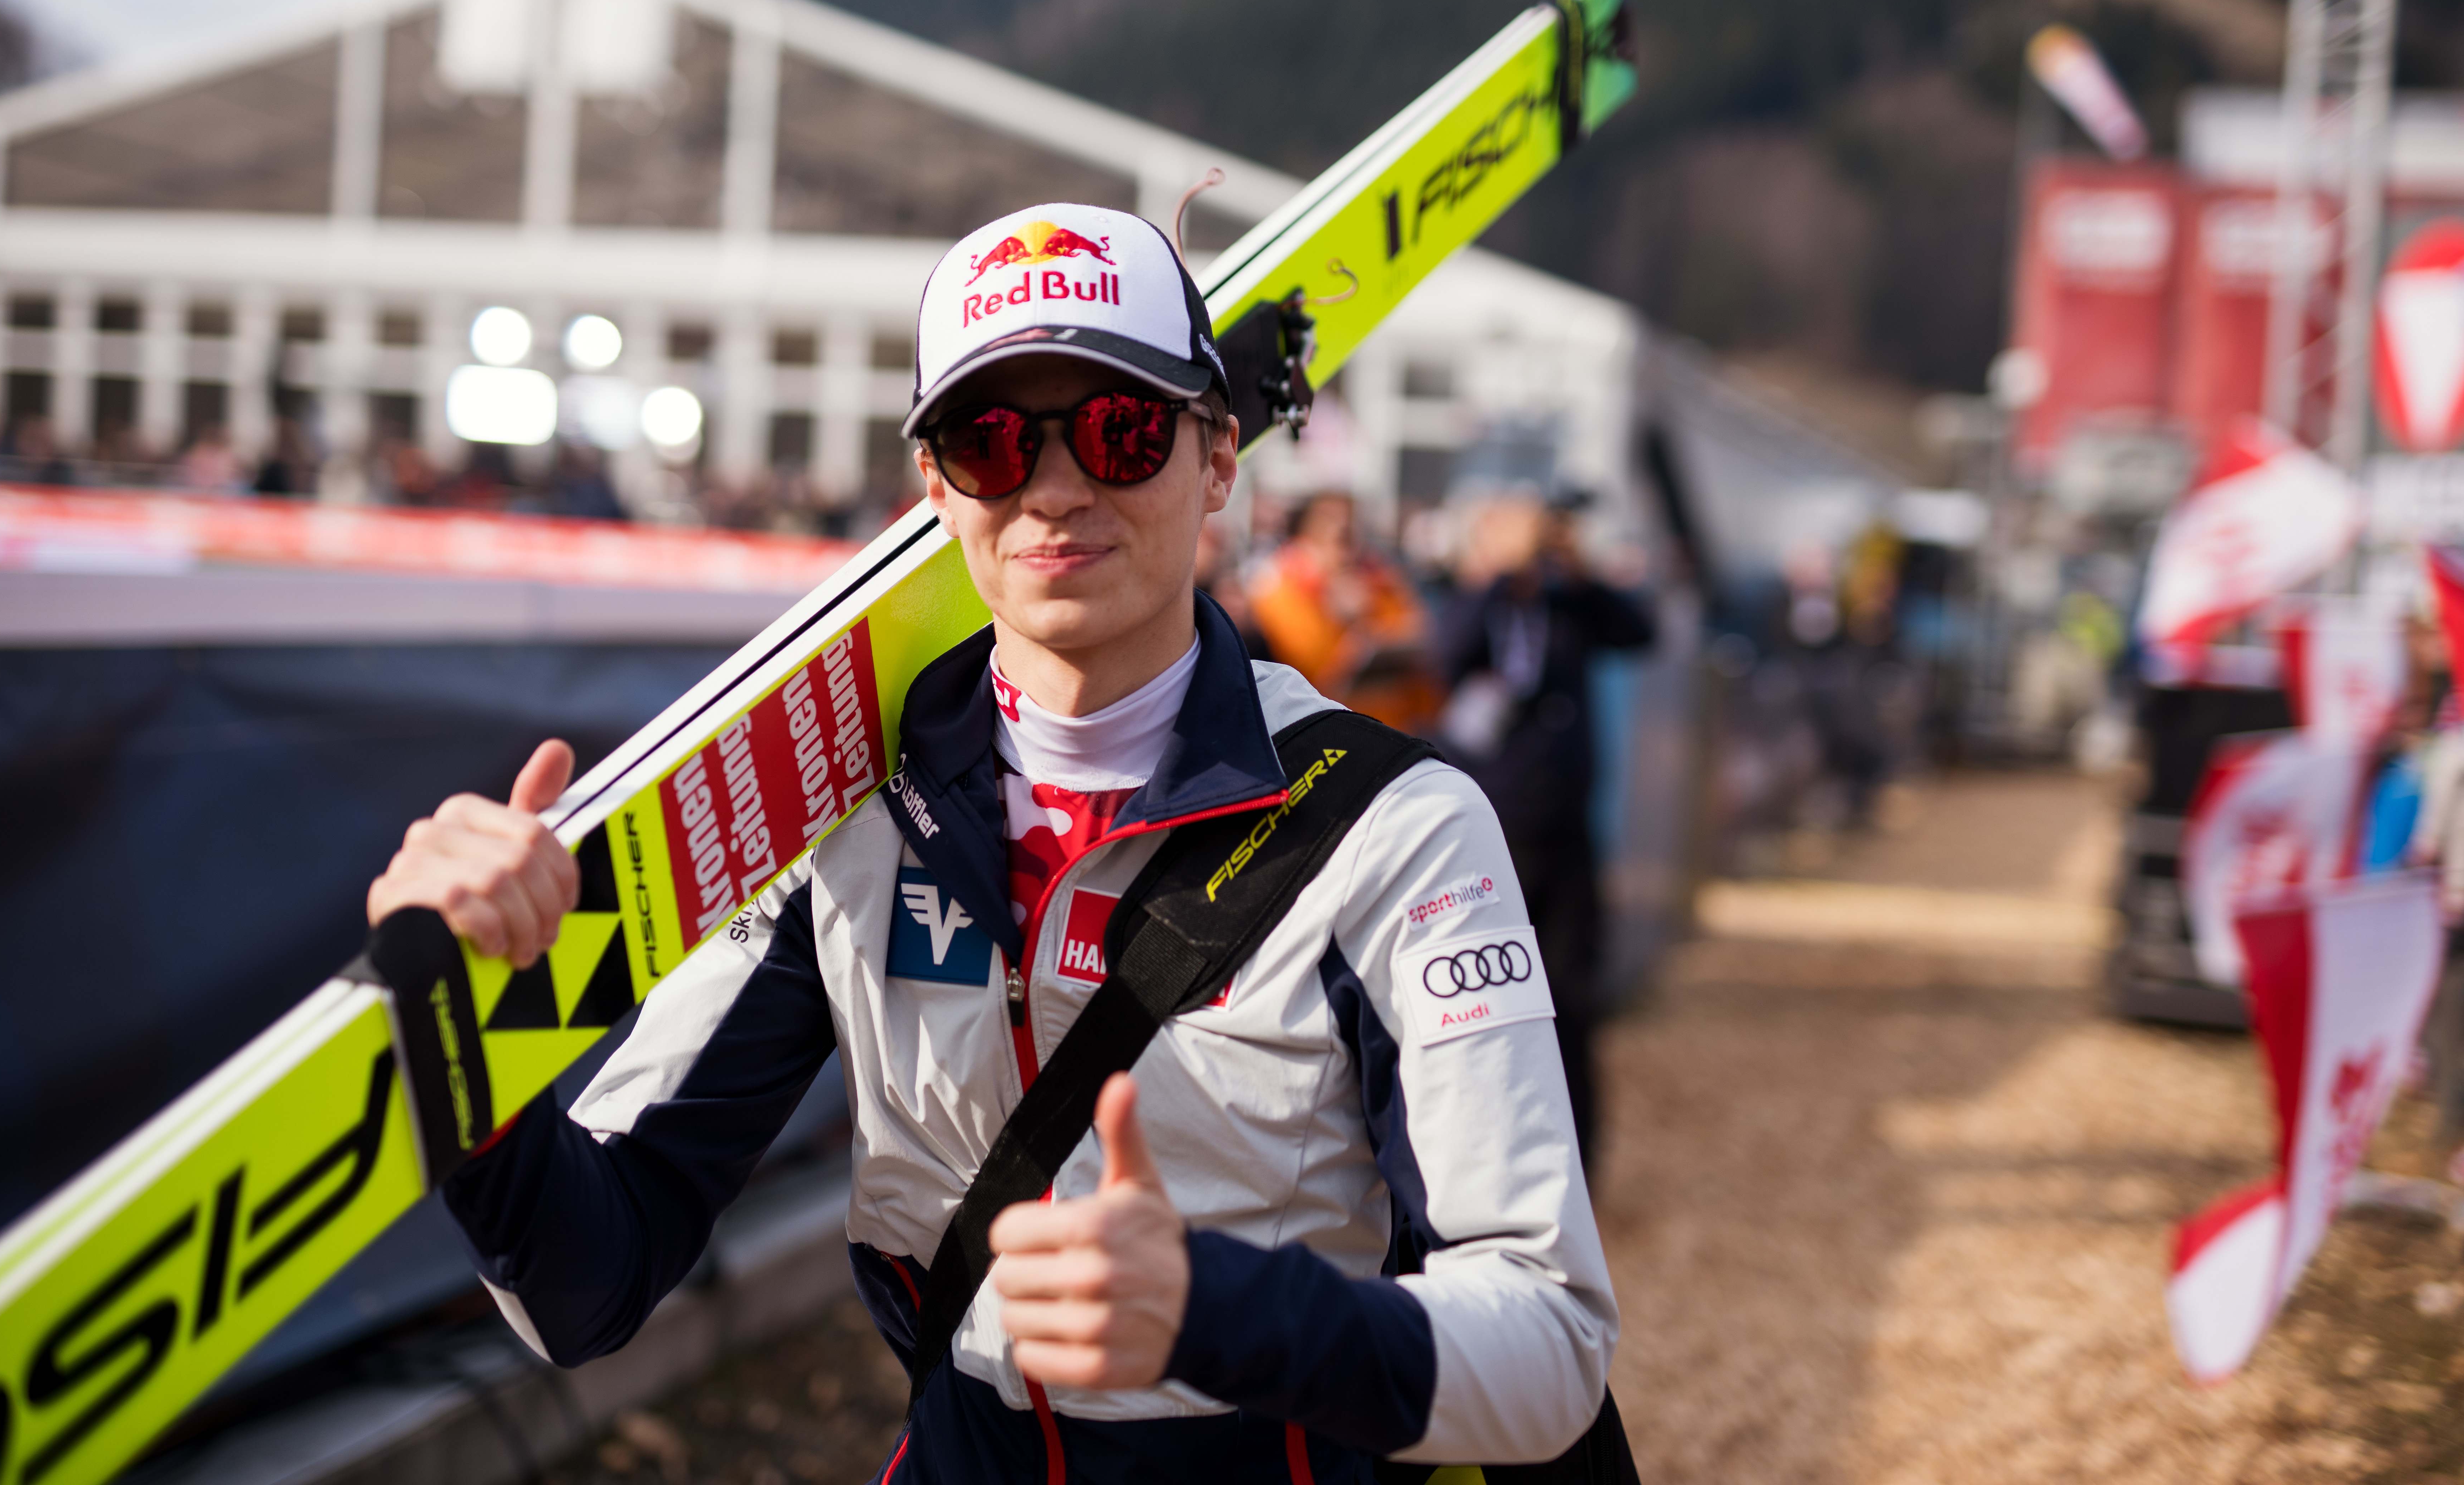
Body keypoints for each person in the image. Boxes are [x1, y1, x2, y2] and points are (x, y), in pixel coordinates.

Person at [368, 203, 1618, 1481]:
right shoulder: (838, 815)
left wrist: (1216, 1310)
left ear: (1217, 457)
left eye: (1122, 430)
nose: (1055, 487)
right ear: (935, 485)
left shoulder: (1393, 825)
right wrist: (479, 1029)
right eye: (991, 440)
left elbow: (1552, 1341)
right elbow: (586, 1286)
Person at [1439, 491, 1652, 1170]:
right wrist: (1501, 572)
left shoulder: (1567, 607)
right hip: (1489, 834)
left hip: (1564, 834)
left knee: (1571, 999)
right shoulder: (1477, 603)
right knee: (1486, 1002)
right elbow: (1445, 655)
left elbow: (1638, 632)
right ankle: (1491, 1157)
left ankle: (1575, 1163)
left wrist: (1575, 567)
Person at [1249, 490, 1442, 732]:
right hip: (1325, 730)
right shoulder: (1281, 589)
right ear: (1305, 537)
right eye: (1337, 534)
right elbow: (1314, 673)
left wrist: (1369, 619)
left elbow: (1420, 631)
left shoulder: (1377, 578)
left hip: (1397, 726)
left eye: (1353, 531)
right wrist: (1343, 621)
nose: (1350, 549)